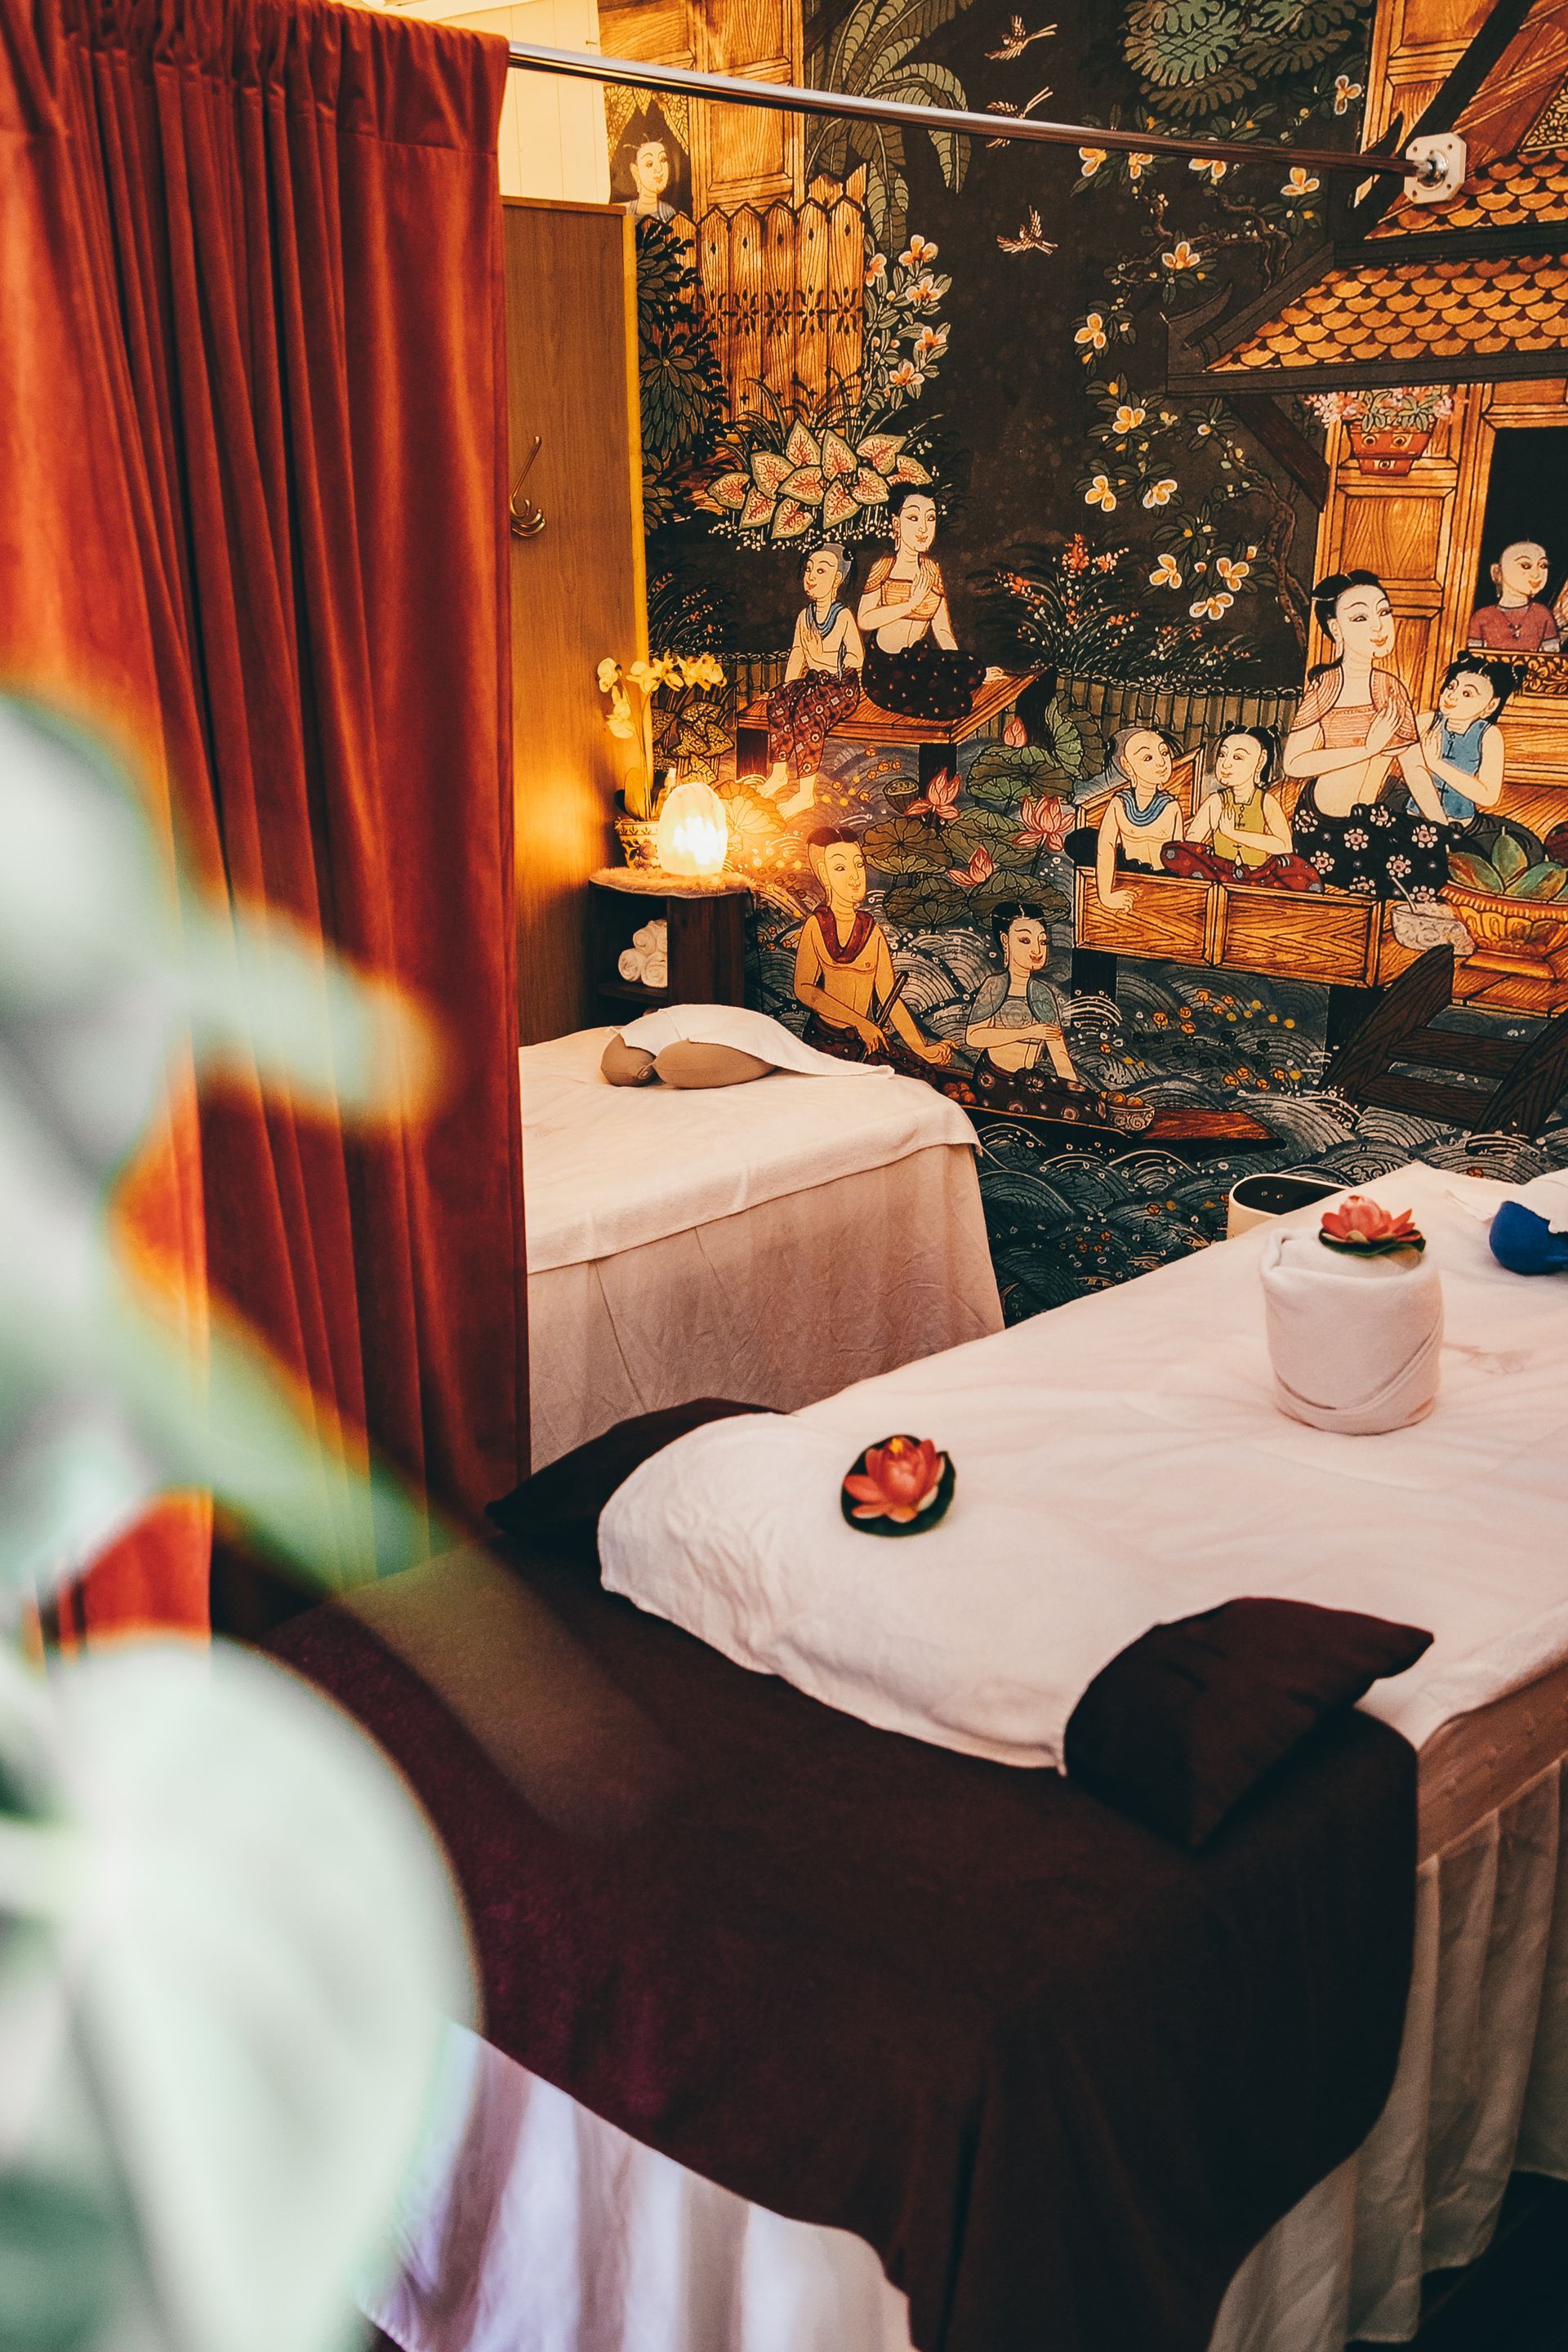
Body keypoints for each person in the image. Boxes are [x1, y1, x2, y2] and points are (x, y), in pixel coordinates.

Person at [1283, 571, 1453, 908]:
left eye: (1384, 612)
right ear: (1336, 629)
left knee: (1438, 859)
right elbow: (1294, 763)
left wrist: (1441, 826)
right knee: (1408, 880)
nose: (1378, 626)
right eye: (1360, 618)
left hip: (1369, 818)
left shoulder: (1392, 688)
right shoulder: (1327, 686)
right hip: (1324, 828)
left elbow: (1415, 769)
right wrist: (1367, 749)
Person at [793, 828, 953, 1068]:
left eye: (859, 865)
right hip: (825, 1040)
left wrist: (922, 1048)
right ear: (824, 874)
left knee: (921, 1073)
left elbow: (890, 997)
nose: (855, 877)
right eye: (841, 868)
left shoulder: (871, 930)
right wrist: (860, 1023)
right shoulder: (817, 925)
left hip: (865, 1039)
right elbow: (804, 989)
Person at [857, 486, 985, 723]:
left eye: (930, 518)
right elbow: (864, 620)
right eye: (914, 518)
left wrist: (959, 666)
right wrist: (910, 604)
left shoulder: (931, 570)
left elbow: (942, 629)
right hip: (886, 670)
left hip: (918, 660)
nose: (924, 528)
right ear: (896, 524)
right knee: (959, 704)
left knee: (975, 670)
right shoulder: (884, 567)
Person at [763, 545, 864, 817]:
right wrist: (786, 687)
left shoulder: (842, 616)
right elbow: (797, 654)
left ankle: (806, 793)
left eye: (821, 571)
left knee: (807, 712)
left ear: (837, 579)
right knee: (779, 701)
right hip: (813, 682)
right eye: (809, 569)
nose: (811, 577)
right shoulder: (804, 617)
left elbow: (857, 657)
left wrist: (829, 659)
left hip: (840, 686)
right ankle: (779, 773)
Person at [1164, 728, 1320, 891]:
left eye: (1237, 757)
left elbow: (1284, 847)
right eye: (1222, 755)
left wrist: (1234, 834)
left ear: (1260, 761)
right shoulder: (1216, 802)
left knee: (1298, 872)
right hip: (1220, 875)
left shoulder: (1266, 802)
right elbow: (1192, 845)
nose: (1226, 764)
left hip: (1258, 876)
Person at [1063, 726, 1181, 911]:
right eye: (1148, 758)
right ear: (1127, 765)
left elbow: (1180, 858)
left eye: (1164, 753)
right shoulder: (1119, 804)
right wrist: (1106, 896)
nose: (1161, 763)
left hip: (1163, 882)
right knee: (1079, 840)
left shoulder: (1172, 807)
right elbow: (1105, 848)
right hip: (1128, 872)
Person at [963, 903, 1078, 1079]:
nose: (1037, 950)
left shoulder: (1042, 993)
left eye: (1042, 941)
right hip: (992, 1078)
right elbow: (973, 1036)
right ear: (1005, 941)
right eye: (1025, 940)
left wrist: (1074, 1088)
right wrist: (1029, 1032)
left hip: (1027, 1080)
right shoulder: (996, 984)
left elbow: (1059, 1053)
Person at [1467, 539, 1561, 657]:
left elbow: (1552, 658)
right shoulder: (1482, 617)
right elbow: (1471, 658)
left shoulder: (1542, 614)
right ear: (1497, 571)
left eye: (1543, 566)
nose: (1536, 574)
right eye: (1526, 566)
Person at [623, 137, 676, 224]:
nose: (659, 169)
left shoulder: (668, 213)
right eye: (649, 164)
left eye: (663, 160)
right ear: (635, 171)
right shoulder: (624, 210)